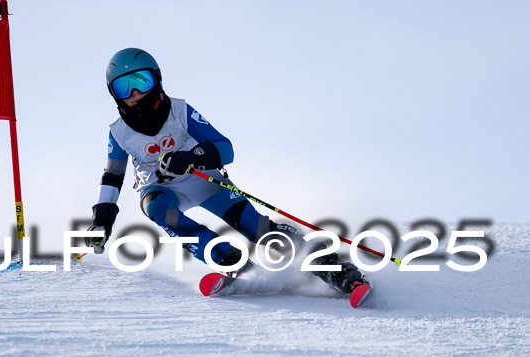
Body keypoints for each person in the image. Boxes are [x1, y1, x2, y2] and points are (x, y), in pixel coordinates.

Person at [85, 47, 368, 294]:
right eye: (124, 87)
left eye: (141, 81)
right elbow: (113, 176)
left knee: (256, 228)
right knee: (158, 209)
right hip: (160, 190)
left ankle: (335, 270)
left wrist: (190, 157)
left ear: (156, 80)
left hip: (203, 181)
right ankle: (235, 264)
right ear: (114, 95)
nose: (135, 94)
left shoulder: (180, 111)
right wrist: (103, 218)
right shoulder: (119, 133)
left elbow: (224, 148)